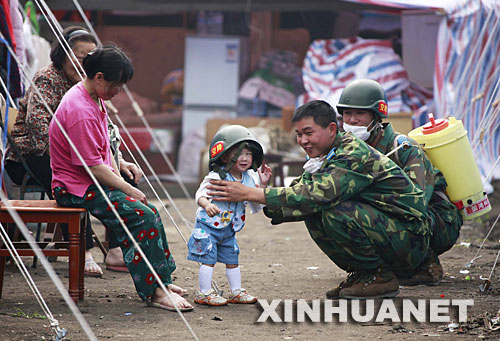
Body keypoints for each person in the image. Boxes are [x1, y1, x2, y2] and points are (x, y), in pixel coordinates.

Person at [207, 100, 432, 299]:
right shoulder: (324, 155)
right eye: (299, 134)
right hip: (392, 234)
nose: (303, 140)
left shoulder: (352, 153)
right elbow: (300, 193)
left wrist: (249, 193)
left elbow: (318, 194)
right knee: (312, 211)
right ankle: (363, 274)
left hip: (412, 238)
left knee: (335, 209)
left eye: (308, 133)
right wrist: (259, 193)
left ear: (332, 129)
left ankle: (379, 277)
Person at [48, 45, 192, 311]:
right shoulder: (79, 109)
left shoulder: (94, 97)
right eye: (116, 85)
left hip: (91, 182)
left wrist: (120, 164)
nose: (118, 92)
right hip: (75, 187)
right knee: (142, 215)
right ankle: (155, 291)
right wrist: (128, 188)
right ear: (99, 77)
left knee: (149, 212)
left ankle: (161, 280)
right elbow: (93, 167)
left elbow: (105, 147)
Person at [4, 26, 136, 276]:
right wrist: (75, 157)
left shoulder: (96, 89)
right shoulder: (48, 79)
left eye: (90, 56)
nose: (83, 62)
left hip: (78, 157)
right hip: (33, 155)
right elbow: (38, 126)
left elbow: (104, 134)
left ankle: (118, 250)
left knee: (125, 178)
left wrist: (119, 161)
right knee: (77, 184)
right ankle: (82, 251)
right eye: (79, 55)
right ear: (63, 55)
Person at [336, 78, 462, 286]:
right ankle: (375, 268)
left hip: (437, 223)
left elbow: (416, 203)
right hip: (398, 216)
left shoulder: (404, 148)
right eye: (348, 114)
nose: (353, 120)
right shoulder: (347, 151)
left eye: (360, 113)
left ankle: (426, 262)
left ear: (376, 117)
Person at [188, 125, 272, 306]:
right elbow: (200, 194)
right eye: (239, 153)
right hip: (208, 227)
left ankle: (236, 291)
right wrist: (207, 204)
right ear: (225, 155)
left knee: (232, 259)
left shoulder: (249, 178)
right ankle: (203, 292)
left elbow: (256, 199)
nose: (245, 158)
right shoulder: (217, 176)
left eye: (249, 154)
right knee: (208, 260)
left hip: (229, 229)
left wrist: (262, 186)